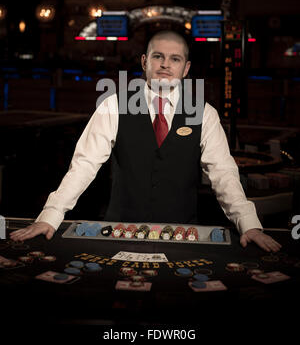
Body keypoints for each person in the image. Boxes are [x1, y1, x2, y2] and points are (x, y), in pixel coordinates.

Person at [10, 31, 281, 252]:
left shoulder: (205, 114)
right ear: (144, 62)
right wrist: (50, 216)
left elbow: (223, 174)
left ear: (185, 69)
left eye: (175, 59)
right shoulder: (113, 106)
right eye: (158, 56)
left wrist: (249, 224)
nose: (165, 64)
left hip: (182, 237)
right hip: (118, 234)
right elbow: (83, 166)